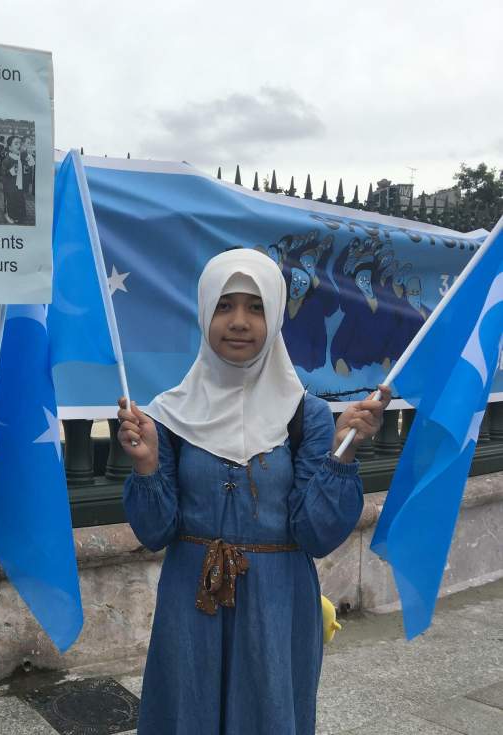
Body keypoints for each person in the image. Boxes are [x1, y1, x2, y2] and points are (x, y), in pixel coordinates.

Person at [116, 248, 389, 735]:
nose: (239, 322)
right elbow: (155, 531)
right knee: (187, 714)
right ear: (204, 313)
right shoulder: (169, 416)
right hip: (191, 602)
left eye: (256, 307)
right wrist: (147, 466)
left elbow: (316, 534)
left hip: (278, 606)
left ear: (276, 316)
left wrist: (341, 456)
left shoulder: (305, 416)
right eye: (224, 306)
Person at [2, 135, 30, 224]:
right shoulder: (7, 159)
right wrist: (10, 171)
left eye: (20, 144)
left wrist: (27, 161)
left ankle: (18, 215)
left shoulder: (21, 158)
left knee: (19, 199)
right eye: (16, 144)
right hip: (10, 184)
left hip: (19, 183)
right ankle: (9, 214)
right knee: (10, 200)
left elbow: (28, 166)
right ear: (10, 147)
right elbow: (3, 173)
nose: (19, 146)